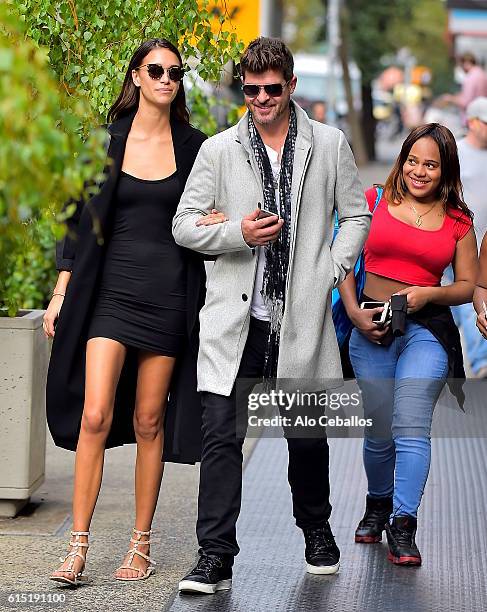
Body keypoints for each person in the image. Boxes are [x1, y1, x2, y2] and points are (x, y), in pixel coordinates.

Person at [172, 36, 371, 594]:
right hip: (237, 322)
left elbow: (356, 215)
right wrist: (237, 231)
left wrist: (330, 269)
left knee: (305, 435)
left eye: (271, 89)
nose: (261, 98)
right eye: (251, 89)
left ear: (290, 86)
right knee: (220, 439)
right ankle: (215, 556)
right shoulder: (218, 150)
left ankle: (316, 530)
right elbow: (183, 225)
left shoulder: (327, 144)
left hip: (300, 317)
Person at [45, 38, 210, 585]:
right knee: (95, 413)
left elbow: (210, 214)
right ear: (136, 76)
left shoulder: (195, 148)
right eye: (156, 70)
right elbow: (76, 223)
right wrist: (60, 292)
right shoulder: (106, 142)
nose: (167, 79)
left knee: (148, 420)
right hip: (108, 296)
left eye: (175, 72)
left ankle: (140, 546)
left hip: (168, 298)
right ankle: (77, 546)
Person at [339, 123, 477, 566]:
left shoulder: (459, 221)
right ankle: (377, 503)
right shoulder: (374, 201)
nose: (419, 171)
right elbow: (341, 260)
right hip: (370, 325)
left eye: (431, 165)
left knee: (411, 422)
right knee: (379, 430)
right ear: (402, 160)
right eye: (413, 161)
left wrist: (428, 293)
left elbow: (468, 285)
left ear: (445, 170)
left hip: (426, 329)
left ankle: (403, 523)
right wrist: (355, 312)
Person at [451, 97, 487, 376]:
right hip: (455, 241)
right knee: (456, 303)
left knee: (471, 300)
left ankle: (479, 361)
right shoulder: (457, 152)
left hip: (483, 246)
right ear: (472, 122)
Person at [440, 53, 487, 123]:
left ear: (466, 63)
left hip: (472, 118)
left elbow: (465, 102)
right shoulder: (482, 74)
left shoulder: (470, 77)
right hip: (483, 116)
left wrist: (450, 98)